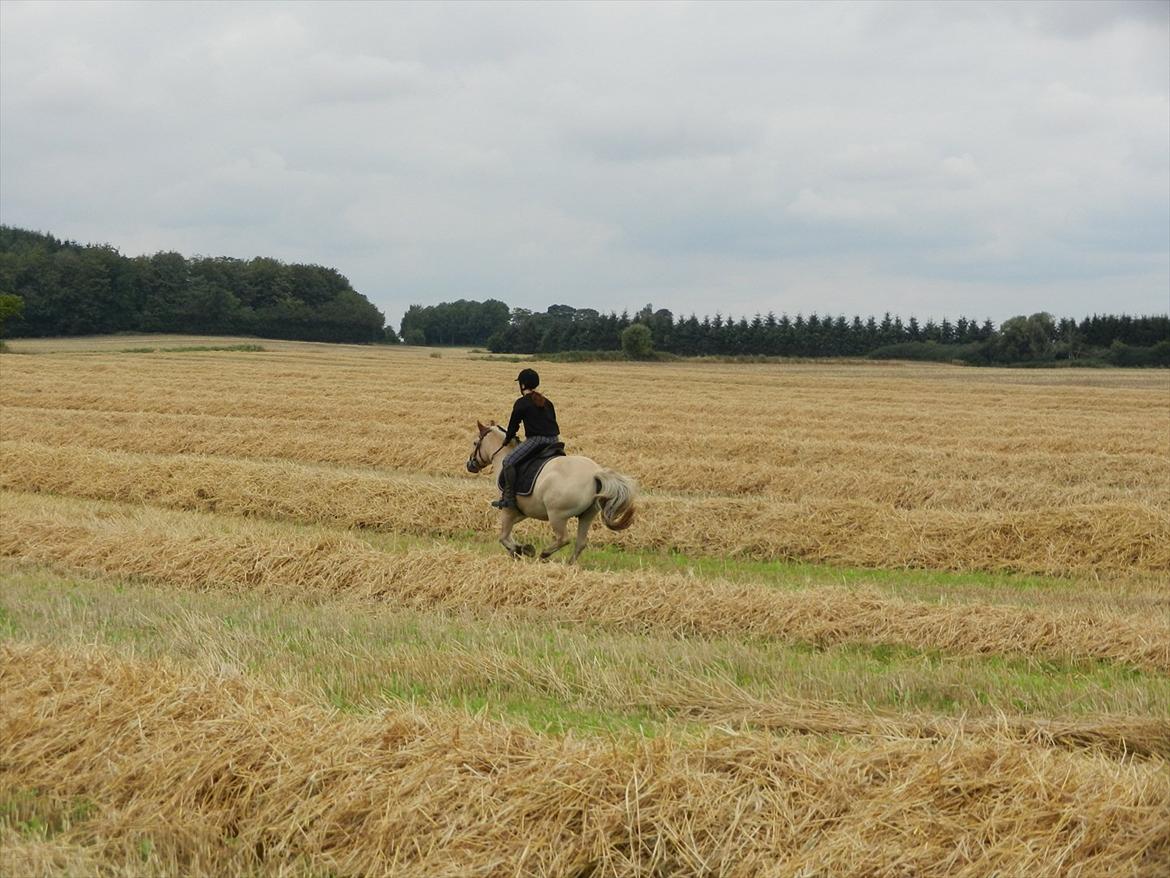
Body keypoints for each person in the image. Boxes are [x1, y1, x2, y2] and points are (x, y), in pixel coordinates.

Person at [492, 368, 560, 509]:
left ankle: (509, 498)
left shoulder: (521, 403)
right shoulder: (547, 402)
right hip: (555, 440)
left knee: (508, 461)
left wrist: (507, 439)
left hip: (537, 441)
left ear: (522, 385)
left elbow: (513, 427)